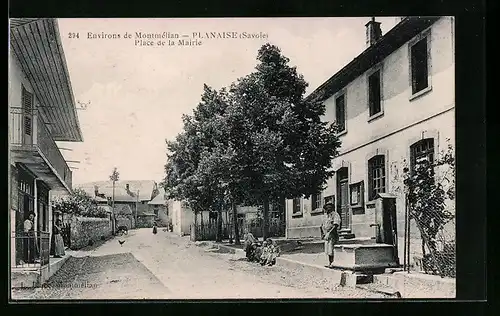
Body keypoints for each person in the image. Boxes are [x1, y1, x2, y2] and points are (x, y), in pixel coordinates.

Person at [320, 202, 341, 268]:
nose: (328, 209)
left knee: (332, 248)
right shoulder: (325, 216)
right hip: (326, 234)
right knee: (328, 250)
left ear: (332, 208)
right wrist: (322, 234)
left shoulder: (335, 214)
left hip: (332, 234)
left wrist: (329, 233)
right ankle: (330, 263)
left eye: (329, 207)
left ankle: (333, 263)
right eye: (326, 208)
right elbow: (321, 225)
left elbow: (335, 225)